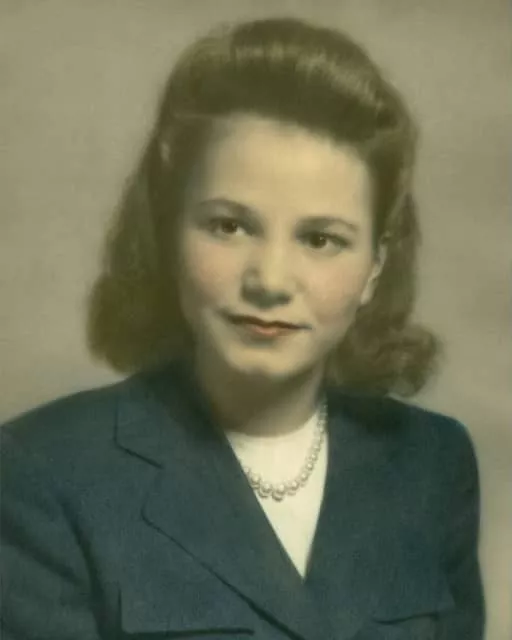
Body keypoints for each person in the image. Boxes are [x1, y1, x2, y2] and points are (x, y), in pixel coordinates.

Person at [1, 16, 485, 640]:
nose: (270, 279)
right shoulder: (44, 473)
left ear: (374, 268)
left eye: (321, 239)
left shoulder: (432, 464)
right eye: (229, 226)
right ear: (170, 234)